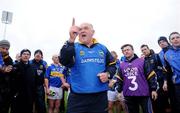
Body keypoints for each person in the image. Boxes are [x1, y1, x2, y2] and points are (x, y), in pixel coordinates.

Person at [59, 22, 116, 113]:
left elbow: (112, 65)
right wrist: (71, 40)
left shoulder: (102, 48)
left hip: (99, 97)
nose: (82, 31)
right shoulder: (73, 46)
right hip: (78, 97)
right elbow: (64, 60)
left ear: (92, 32)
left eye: (85, 28)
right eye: (80, 29)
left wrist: (108, 74)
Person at [116, 44, 157, 113]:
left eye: (128, 49)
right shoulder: (121, 65)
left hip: (143, 94)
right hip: (129, 95)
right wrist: (119, 91)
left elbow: (151, 75)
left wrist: (153, 89)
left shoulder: (142, 61)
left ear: (133, 50)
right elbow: (119, 79)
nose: (126, 51)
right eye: (124, 51)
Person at [140, 44, 169, 113]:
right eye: (142, 50)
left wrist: (165, 81)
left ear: (149, 49)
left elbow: (163, 69)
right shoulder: (142, 60)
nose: (144, 51)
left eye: (145, 49)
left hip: (160, 81)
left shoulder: (156, 56)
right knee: (154, 102)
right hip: (150, 84)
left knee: (163, 101)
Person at [11, 49, 35, 113]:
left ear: (30, 56)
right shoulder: (15, 66)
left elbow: (33, 81)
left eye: (28, 54)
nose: (26, 56)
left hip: (29, 95)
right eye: (24, 54)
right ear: (21, 56)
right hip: (18, 96)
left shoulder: (32, 67)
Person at [164, 32, 180, 113]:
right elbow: (167, 70)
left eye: (177, 37)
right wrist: (165, 82)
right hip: (178, 83)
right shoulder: (167, 54)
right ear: (170, 41)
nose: (176, 39)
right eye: (173, 38)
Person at [0, 40, 13, 113]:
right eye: (3, 48)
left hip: (5, 89)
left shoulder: (9, 59)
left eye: (7, 49)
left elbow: (9, 70)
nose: (4, 50)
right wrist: (3, 69)